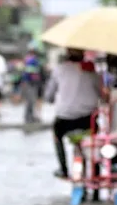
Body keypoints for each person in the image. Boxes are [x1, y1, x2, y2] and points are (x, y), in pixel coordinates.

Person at [44, 48, 103, 179]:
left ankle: (63, 168)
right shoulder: (92, 71)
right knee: (95, 142)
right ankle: (96, 172)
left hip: (65, 119)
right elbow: (102, 94)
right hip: (88, 119)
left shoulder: (59, 69)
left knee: (57, 135)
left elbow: (48, 97)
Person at [21, 49, 44, 124]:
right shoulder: (32, 60)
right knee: (31, 100)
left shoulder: (27, 60)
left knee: (30, 100)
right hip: (31, 83)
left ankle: (29, 116)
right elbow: (31, 71)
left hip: (29, 82)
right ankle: (29, 117)